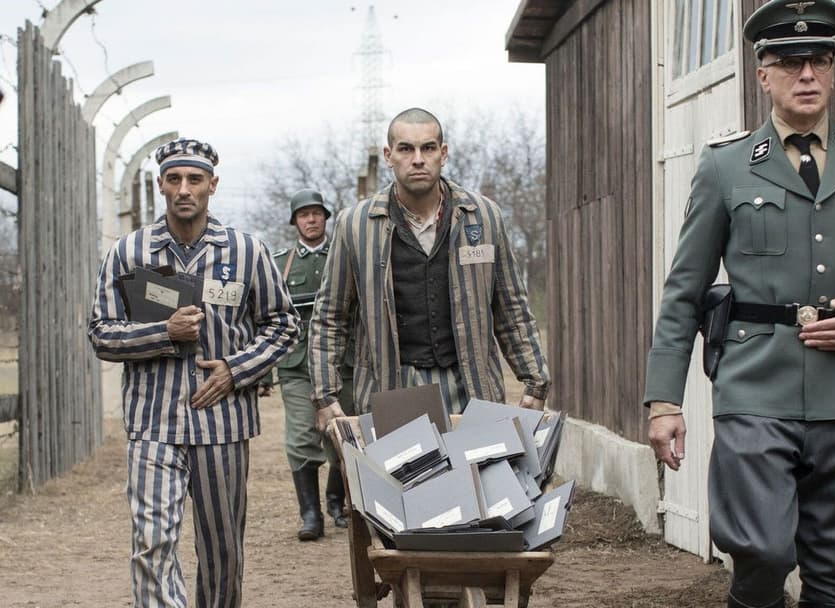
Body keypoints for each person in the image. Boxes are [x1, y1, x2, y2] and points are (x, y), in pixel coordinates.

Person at [642, 2, 835, 607]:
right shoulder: (726, 166)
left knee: (834, 570)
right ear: (763, 75)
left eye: (820, 61)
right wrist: (665, 401)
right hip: (755, 388)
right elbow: (684, 289)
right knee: (763, 551)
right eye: (790, 62)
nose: (807, 75)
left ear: (833, 69)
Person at [88, 138, 299, 607]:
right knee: (152, 544)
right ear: (161, 185)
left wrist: (235, 369)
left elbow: (284, 324)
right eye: (174, 179)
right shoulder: (129, 252)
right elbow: (101, 332)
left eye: (195, 179)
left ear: (212, 186)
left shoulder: (247, 252)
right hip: (153, 426)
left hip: (222, 425)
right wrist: (163, 332)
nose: (185, 189)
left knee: (222, 553)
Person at [308, 107, 549, 432]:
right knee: (403, 480)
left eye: (428, 148)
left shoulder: (483, 217)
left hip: (470, 386)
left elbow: (512, 309)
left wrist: (535, 379)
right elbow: (329, 318)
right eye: (406, 149)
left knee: (477, 480)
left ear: (443, 153)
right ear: (389, 155)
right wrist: (325, 395)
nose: (418, 159)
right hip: (393, 386)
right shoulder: (355, 225)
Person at [261, 188, 356, 539]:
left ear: (326, 218)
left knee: (344, 432)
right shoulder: (280, 262)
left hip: (341, 361)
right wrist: (266, 370)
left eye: (317, 213)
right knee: (302, 434)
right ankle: (311, 515)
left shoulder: (344, 256)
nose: (312, 219)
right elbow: (267, 317)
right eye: (304, 215)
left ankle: (337, 498)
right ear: (295, 222)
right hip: (298, 364)